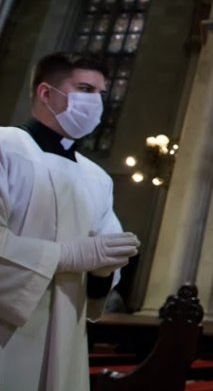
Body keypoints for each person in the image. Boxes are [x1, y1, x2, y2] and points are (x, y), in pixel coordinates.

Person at [0, 52, 140, 390]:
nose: (96, 103)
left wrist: (105, 270)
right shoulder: (6, 147)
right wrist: (66, 257)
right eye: (84, 89)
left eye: (101, 94)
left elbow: (102, 263)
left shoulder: (97, 178)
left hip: (67, 332)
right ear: (46, 93)